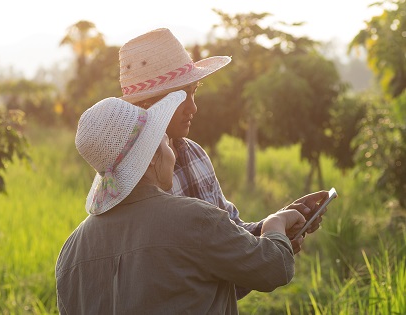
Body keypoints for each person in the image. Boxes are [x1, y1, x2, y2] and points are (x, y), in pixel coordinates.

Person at [56, 92, 326, 314]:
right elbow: (272, 268)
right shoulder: (194, 219)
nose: (172, 150)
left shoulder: (71, 253)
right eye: (163, 141)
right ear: (150, 157)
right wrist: (276, 224)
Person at [117, 27, 329, 299]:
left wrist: (276, 226)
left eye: (194, 93)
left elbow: (230, 231)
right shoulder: (127, 175)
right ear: (150, 105)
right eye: (183, 97)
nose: (193, 108)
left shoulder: (194, 155)